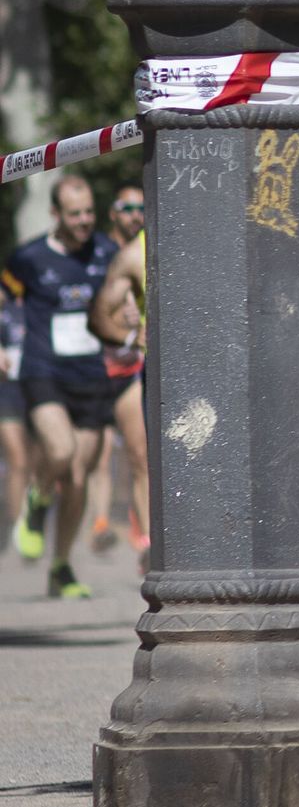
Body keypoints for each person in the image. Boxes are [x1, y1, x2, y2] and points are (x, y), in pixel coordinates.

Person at [2, 175, 119, 597]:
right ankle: (37, 497)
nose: (85, 220)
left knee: (78, 478)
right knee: (60, 451)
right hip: (42, 368)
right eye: (75, 214)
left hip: (89, 375)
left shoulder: (107, 252)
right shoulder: (29, 258)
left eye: (89, 211)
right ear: (55, 214)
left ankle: (62, 565)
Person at [86, 182, 148, 564]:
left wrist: (134, 329)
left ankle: (145, 542)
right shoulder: (98, 253)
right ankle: (100, 522)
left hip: (129, 366)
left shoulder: (147, 251)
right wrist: (120, 325)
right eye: (126, 207)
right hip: (93, 366)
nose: (134, 215)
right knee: (95, 454)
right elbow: (94, 312)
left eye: (140, 208)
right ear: (113, 213)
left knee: (139, 453)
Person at [0, 297, 33, 559]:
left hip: (35, 388)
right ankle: (15, 525)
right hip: (6, 390)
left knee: (35, 461)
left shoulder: (35, 303)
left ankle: (29, 521)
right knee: (18, 461)